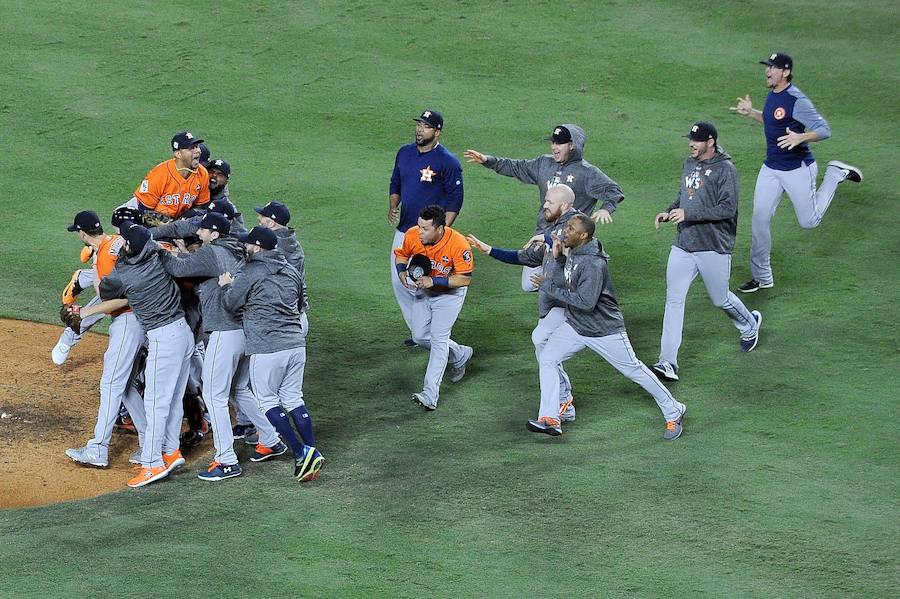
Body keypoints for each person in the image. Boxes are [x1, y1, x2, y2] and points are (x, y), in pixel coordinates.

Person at [529, 214, 686, 440]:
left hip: (604, 329)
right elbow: (570, 278)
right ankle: (551, 417)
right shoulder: (573, 249)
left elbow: (585, 302)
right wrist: (559, 259)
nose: (565, 231)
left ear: (583, 236)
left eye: (571, 228)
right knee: (547, 358)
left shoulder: (593, 263)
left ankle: (674, 410)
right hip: (576, 326)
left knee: (635, 370)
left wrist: (549, 286)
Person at [730, 52, 863, 293]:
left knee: (809, 221)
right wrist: (751, 112)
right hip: (771, 168)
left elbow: (824, 130)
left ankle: (834, 174)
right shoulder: (773, 95)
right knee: (760, 221)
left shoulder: (796, 99)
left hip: (797, 168)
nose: (767, 71)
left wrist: (802, 136)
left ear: (786, 72)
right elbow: (773, 122)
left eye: (772, 67)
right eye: (767, 67)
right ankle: (762, 277)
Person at [651, 122, 761, 382]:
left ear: (710, 142)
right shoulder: (690, 163)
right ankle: (668, 363)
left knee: (720, 298)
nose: (691, 144)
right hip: (684, 244)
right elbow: (685, 195)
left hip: (713, 246)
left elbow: (727, 209)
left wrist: (689, 214)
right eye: (690, 139)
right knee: (674, 301)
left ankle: (749, 325)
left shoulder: (726, 170)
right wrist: (670, 210)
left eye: (697, 140)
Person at [466, 184, 581, 422]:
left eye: (550, 202)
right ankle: (562, 404)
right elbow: (527, 257)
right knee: (542, 342)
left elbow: (572, 244)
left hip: (577, 306)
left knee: (628, 364)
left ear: (566, 205)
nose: (544, 205)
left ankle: (559, 407)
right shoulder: (555, 227)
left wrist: (547, 237)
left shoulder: (575, 225)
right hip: (558, 304)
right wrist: (489, 250)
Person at [464, 124, 624, 291]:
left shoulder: (587, 173)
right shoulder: (544, 164)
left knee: (565, 283)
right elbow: (516, 167)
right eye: (553, 142)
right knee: (528, 285)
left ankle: (570, 285)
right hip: (542, 233)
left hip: (569, 238)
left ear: (572, 145)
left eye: (560, 143)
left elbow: (613, 190)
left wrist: (606, 208)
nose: (554, 147)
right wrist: (488, 161)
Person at [219, 226, 323, 482]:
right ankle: (313, 450)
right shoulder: (290, 269)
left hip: (267, 347)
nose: (246, 247)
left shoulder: (251, 271)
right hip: (296, 344)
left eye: (249, 245)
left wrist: (226, 285)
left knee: (266, 400)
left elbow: (230, 304)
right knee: (292, 397)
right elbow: (300, 303)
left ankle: (300, 453)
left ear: (258, 247)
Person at [99, 223, 195, 488]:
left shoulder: (127, 272)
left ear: (130, 247)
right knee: (174, 397)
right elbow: (156, 247)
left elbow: (105, 290)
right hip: (183, 332)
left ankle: (152, 463)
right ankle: (171, 451)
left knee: (155, 403)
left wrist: (112, 258)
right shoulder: (157, 254)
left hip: (164, 338)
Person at [157, 212, 250, 480]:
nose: (198, 233)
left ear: (215, 234)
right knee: (238, 388)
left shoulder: (213, 254)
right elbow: (195, 264)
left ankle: (227, 460)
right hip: (241, 330)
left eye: (203, 230)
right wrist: (183, 251)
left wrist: (160, 251)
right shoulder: (233, 250)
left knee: (214, 396)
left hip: (224, 331)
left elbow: (178, 269)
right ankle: (270, 436)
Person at [62, 211, 148, 468]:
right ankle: (151, 442)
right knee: (126, 387)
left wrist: (85, 311)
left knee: (111, 385)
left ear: (82, 233)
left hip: (128, 322)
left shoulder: (105, 257)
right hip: (134, 321)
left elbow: (119, 298)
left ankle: (98, 449)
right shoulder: (110, 246)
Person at [389, 109, 464, 343]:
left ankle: (429, 334)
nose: (420, 129)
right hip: (404, 231)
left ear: (437, 131)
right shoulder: (404, 153)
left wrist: (441, 232)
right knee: (399, 281)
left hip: (430, 237)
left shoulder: (448, 162)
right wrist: (393, 206)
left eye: (426, 126)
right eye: (419, 125)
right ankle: (418, 332)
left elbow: (455, 199)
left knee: (426, 285)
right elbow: (396, 182)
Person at [394, 205, 474, 410]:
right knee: (419, 336)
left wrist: (436, 281)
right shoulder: (413, 235)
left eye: (425, 229)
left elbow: (464, 279)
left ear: (440, 229)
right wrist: (402, 271)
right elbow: (402, 254)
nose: (419, 232)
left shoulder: (458, 244)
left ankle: (430, 394)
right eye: (419, 226)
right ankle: (460, 354)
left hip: (449, 295)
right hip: (425, 291)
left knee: (439, 339)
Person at [128, 131, 211, 221]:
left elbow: (202, 206)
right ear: (178, 154)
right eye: (191, 148)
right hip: (135, 213)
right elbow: (143, 209)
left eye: (197, 147)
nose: (198, 151)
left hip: (172, 221)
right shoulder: (159, 174)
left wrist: (188, 217)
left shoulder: (202, 174)